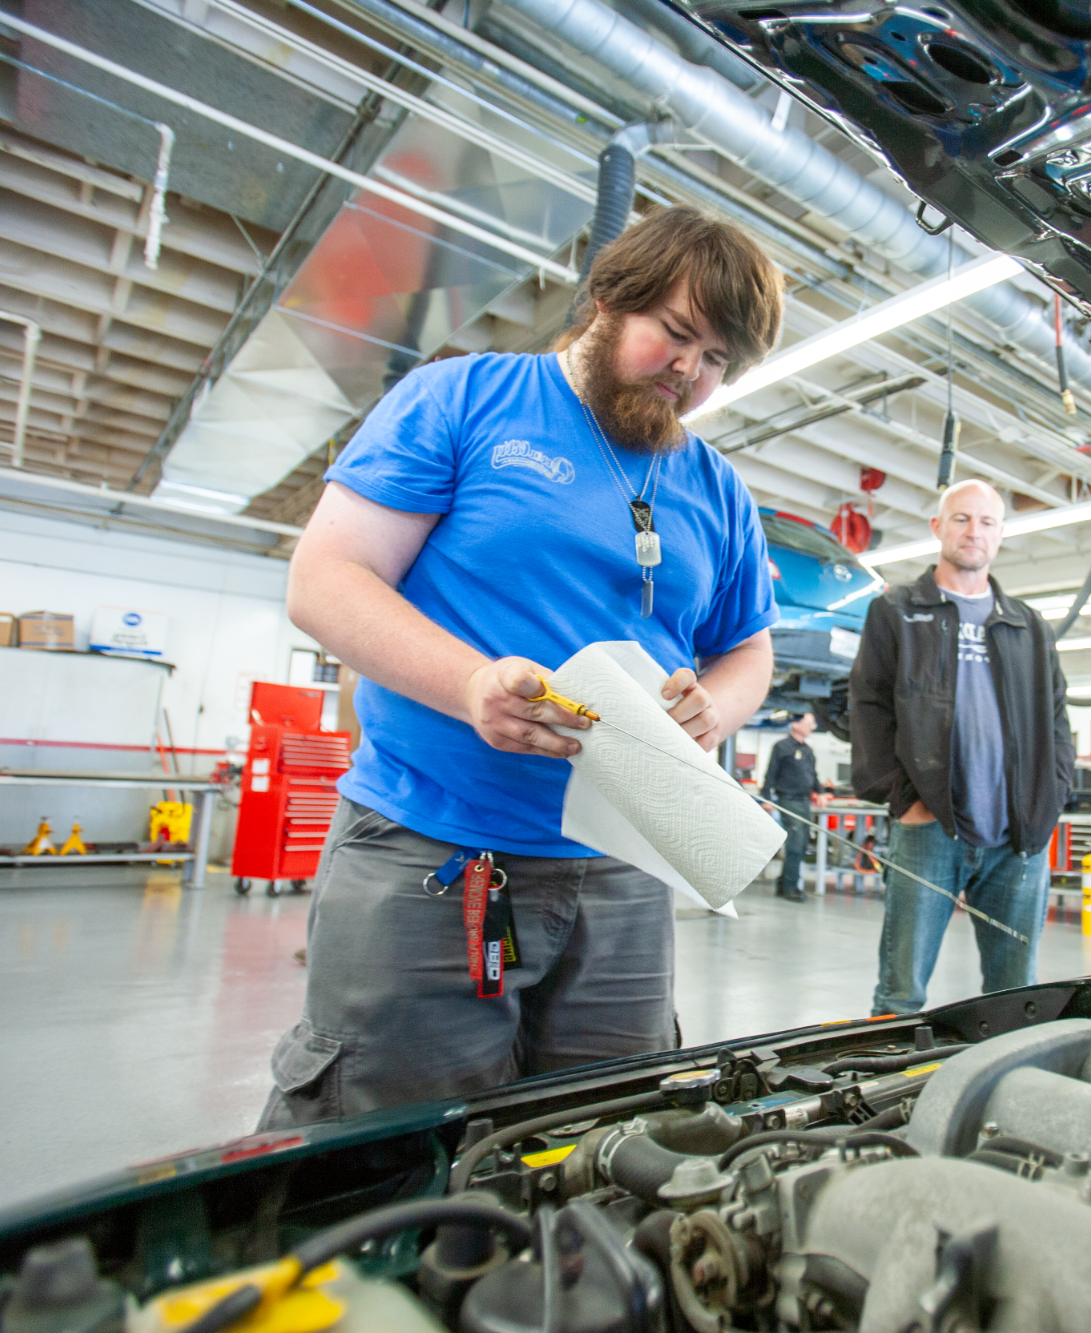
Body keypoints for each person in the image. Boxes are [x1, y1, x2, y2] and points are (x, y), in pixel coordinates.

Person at [259, 207, 786, 1127]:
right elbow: (327, 578)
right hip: (431, 853)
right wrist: (470, 685)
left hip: (624, 870)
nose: (689, 374)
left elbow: (747, 647)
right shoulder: (463, 399)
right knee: (385, 1154)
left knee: (603, 1149)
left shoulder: (715, 488)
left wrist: (718, 708)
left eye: (717, 363)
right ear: (608, 297)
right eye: (676, 335)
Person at [849, 478, 1074, 1016]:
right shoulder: (898, 611)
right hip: (931, 830)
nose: (974, 531)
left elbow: (1058, 720)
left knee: (1017, 994)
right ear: (938, 528)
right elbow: (868, 705)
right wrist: (904, 800)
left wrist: (1050, 798)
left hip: (1019, 836)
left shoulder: (1029, 626)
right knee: (901, 992)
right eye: (961, 519)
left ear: (1000, 535)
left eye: (987, 522)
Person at [760, 712, 823, 902]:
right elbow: (770, 774)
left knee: (803, 844)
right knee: (795, 844)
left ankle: (783, 883)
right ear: (795, 725)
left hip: (805, 802)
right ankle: (791, 887)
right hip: (789, 800)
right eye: (809, 723)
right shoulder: (781, 747)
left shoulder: (808, 750)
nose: (812, 727)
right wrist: (766, 799)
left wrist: (820, 792)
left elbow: (813, 775)